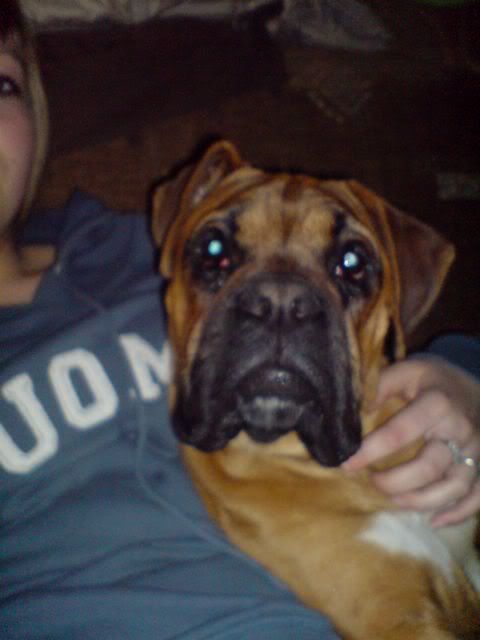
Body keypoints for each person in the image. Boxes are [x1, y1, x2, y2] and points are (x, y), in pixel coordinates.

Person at [0, 2, 479, 638]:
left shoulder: (131, 244)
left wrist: (463, 376)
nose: (279, 304)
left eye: (0, 83)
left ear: (36, 113)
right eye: (222, 257)